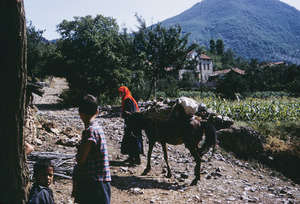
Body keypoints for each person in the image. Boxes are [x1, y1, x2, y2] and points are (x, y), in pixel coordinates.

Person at [72, 94, 111, 204]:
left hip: (93, 183)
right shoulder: (98, 129)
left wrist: (78, 155)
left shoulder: (90, 131)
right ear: (97, 111)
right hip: (102, 182)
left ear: (80, 113)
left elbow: (81, 160)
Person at [118, 86, 143, 165]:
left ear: (125, 92)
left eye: (121, 92)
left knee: (132, 140)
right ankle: (131, 157)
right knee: (131, 140)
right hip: (133, 123)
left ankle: (136, 159)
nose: (120, 94)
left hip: (132, 123)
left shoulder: (127, 100)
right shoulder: (128, 98)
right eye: (119, 93)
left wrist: (123, 115)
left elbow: (130, 112)